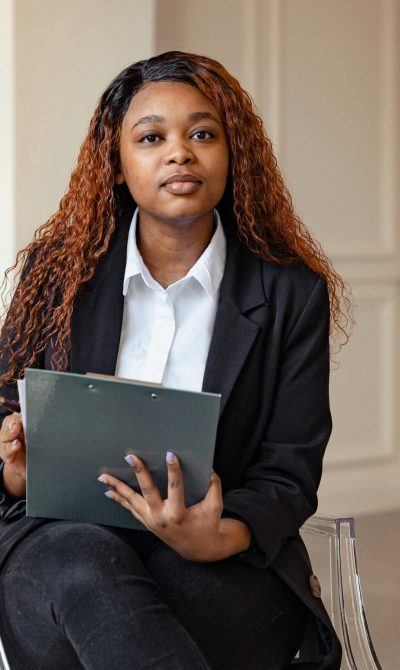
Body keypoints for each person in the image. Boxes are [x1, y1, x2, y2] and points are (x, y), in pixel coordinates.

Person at [0, 51, 351, 670]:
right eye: (151, 137)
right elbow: (3, 412)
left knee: (110, 627)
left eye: (203, 134)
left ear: (231, 153)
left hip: (217, 558)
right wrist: (17, 469)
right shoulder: (57, 276)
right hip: (59, 545)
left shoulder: (292, 293)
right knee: (82, 568)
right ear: (116, 161)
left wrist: (221, 534)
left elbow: (289, 472)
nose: (179, 153)